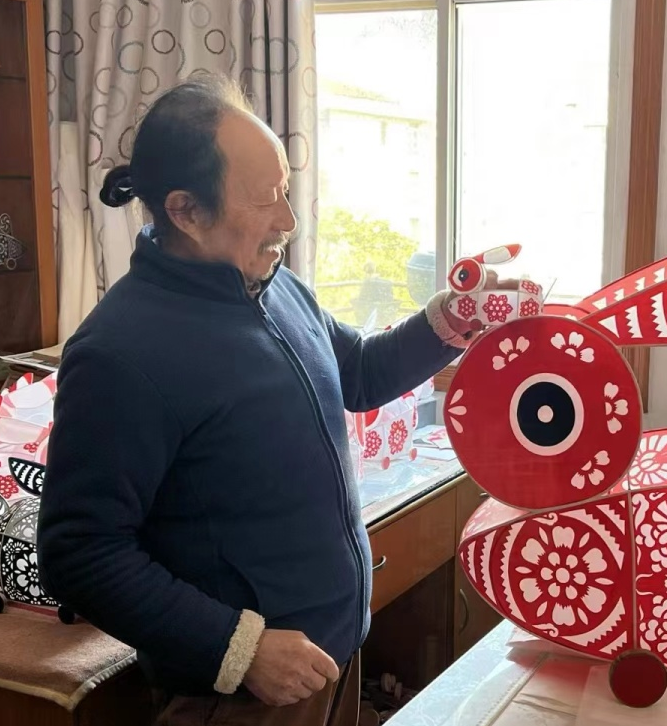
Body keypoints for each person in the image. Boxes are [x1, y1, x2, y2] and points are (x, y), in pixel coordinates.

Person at [36, 74, 508, 726]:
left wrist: (451, 319)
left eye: (285, 189)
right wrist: (240, 649)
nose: (287, 219)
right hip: (240, 696)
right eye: (266, 200)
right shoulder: (120, 352)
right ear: (186, 211)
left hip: (326, 661)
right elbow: (79, 551)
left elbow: (358, 372)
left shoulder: (273, 285)